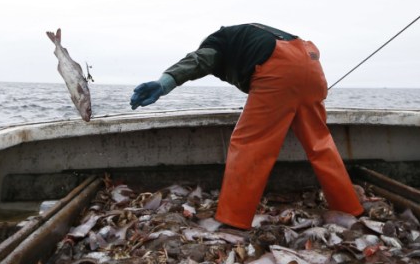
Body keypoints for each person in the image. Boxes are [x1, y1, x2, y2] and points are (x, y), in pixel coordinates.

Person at [130, 23, 363, 229]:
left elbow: (199, 61)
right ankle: (348, 207)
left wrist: (165, 82)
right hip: (311, 64)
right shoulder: (249, 35)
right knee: (320, 143)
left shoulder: (217, 44)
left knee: (249, 144)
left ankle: (234, 219)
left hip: (278, 69)